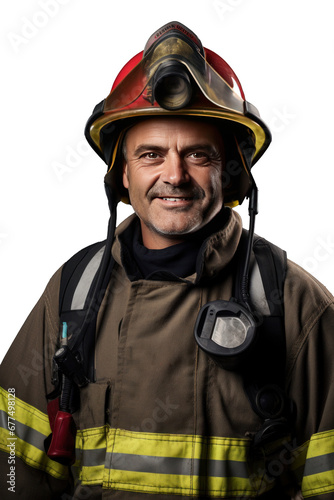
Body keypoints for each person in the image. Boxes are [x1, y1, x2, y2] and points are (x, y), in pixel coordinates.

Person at [0, 20, 333, 500]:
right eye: (151, 155)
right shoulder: (72, 294)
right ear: (123, 176)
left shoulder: (296, 305)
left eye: (198, 154)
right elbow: (13, 465)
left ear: (232, 174)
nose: (174, 175)